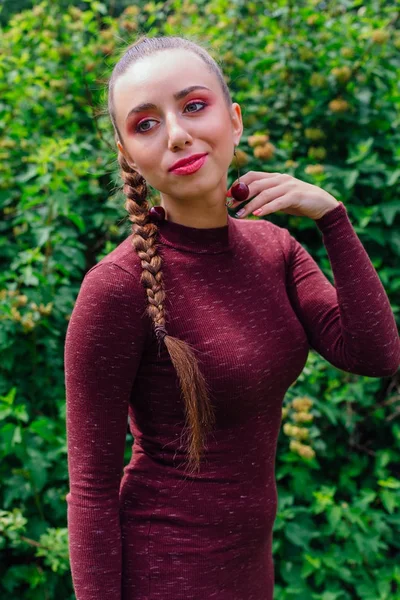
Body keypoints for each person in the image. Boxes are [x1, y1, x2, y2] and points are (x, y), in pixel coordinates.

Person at [64, 35, 400, 600]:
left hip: (249, 570)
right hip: (162, 576)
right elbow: (92, 490)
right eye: (145, 124)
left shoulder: (276, 250)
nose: (176, 134)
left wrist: (332, 218)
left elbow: (374, 354)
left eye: (194, 105)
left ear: (235, 119)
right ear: (128, 154)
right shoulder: (116, 289)